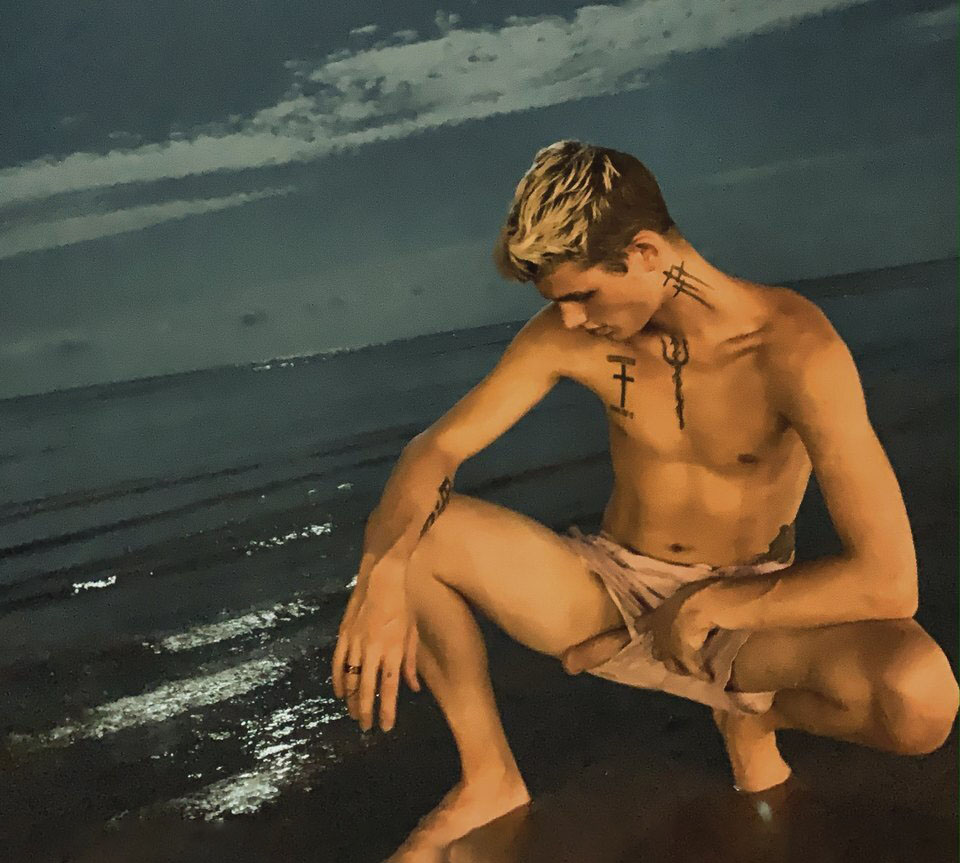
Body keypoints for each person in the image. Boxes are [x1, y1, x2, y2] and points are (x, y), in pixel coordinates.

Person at [331, 140, 959, 862]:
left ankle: (752, 716)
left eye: (582, 296)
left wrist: (707, 607)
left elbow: (889, 579)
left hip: (744, 608)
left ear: (646, 253)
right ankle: (489, 778)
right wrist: (382, 574)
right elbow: (433, 450)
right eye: (558, 303)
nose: (570, 320)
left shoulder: (796, 350)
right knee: (417, 530)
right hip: (611, 591)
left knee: (921, 699)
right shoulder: (568, 337)